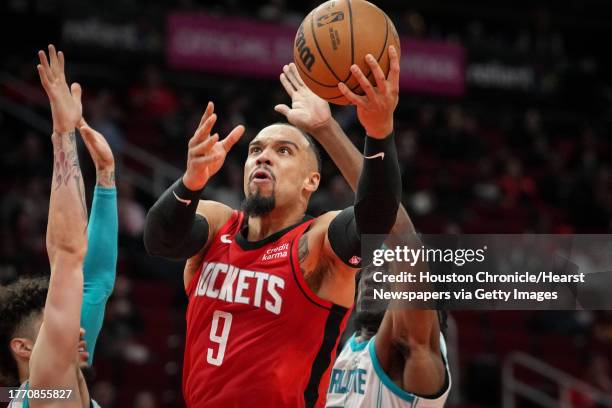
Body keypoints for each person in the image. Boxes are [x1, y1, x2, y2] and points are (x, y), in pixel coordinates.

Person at [143, 46, 403, 407]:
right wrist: (189, 181)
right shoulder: (219, 224)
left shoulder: (314, 243)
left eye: (284, 151)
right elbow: (160, 241)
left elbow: (376, 218)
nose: (263, 156)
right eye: (255, 149)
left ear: (310, 182)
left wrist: (378, 132)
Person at [275, 63, 450, 407]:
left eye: (388, 269)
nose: (372, 270)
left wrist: (328, 130)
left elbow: (400, 237)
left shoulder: (416, 354)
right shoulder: (346, 352)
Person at [0, 44, 118, 407]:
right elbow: (68, 255)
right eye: (53, 326)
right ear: (24, 349)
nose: (77, 329)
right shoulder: (48, 386)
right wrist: (63, 133)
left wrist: (106, 180)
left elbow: (96, 283)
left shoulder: (64, 384)